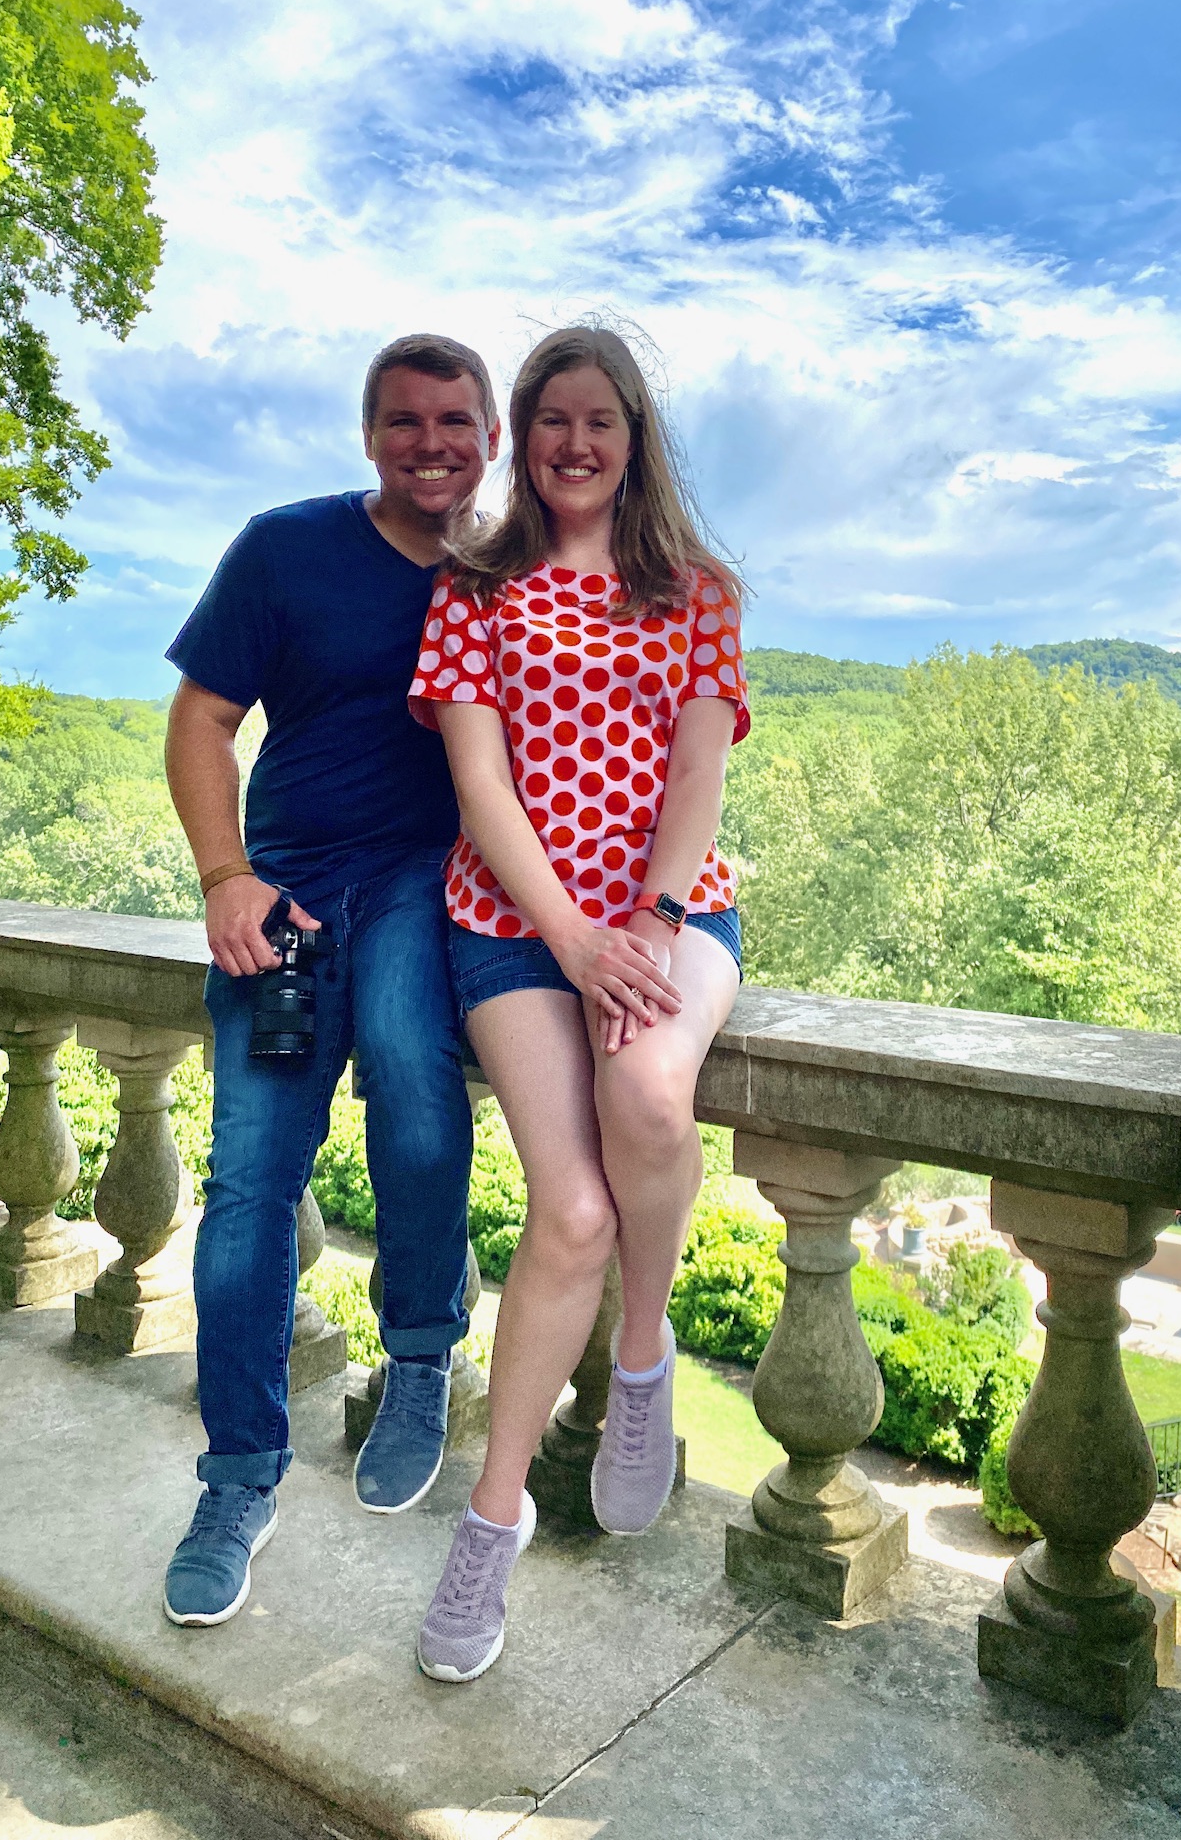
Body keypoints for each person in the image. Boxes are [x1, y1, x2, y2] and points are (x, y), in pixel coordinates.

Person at [406, 325, 749, 1682]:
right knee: (571, 1208)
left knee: (651, 1092)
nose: (573, 444)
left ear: (633, 436)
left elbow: (698, 773)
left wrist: (649, 925)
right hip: (509, 926)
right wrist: (572, 935)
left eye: (598, 421)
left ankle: (643, 1360)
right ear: (523, 438)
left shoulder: (697, 589)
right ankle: (490, 1523)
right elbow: (479, 788)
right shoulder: (474, 589)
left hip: (673, 909)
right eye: (550, 420)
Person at [158, 333, 501, 1627]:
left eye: (456, 422)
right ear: (370, 435)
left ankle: (418, 1354)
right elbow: (201, 719)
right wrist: (224, 875)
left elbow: (595, 720)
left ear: (489, 441)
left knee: (417, 1074)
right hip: (289, 895)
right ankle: (239, 1475)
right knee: (251, 1178)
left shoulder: (502, 570)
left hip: (425, 879)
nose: (431, 444)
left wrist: (681, 859)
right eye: (406, 421)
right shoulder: (283, 547)